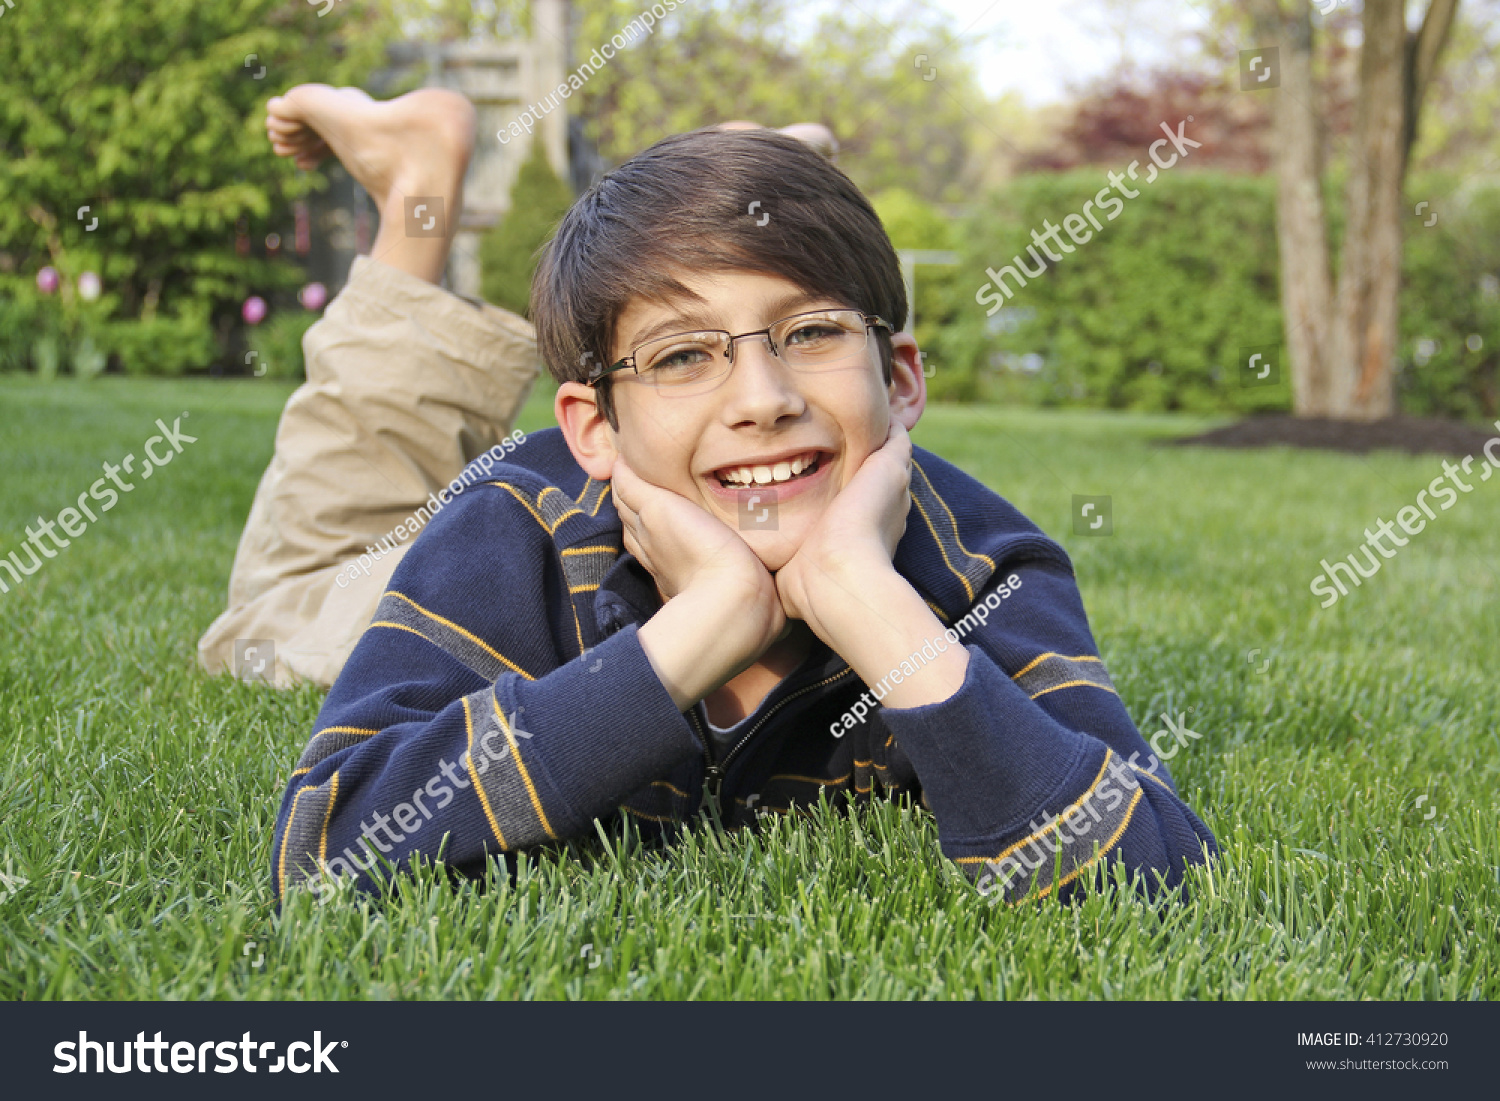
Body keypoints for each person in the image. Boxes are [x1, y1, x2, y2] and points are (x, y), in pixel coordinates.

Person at [260, 85, 1218, 908]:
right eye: (682, 354)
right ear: (594, 427)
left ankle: (735, 187)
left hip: (699, 486)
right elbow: (324, 847)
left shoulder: (986, 566)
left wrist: (879, 612)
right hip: (450, 549)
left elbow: (1161, 872)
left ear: (903, 382)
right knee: (297, 586)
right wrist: (694, 634)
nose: (765, 400)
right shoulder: (512, 529)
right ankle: (417, 190)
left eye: (811, 333)